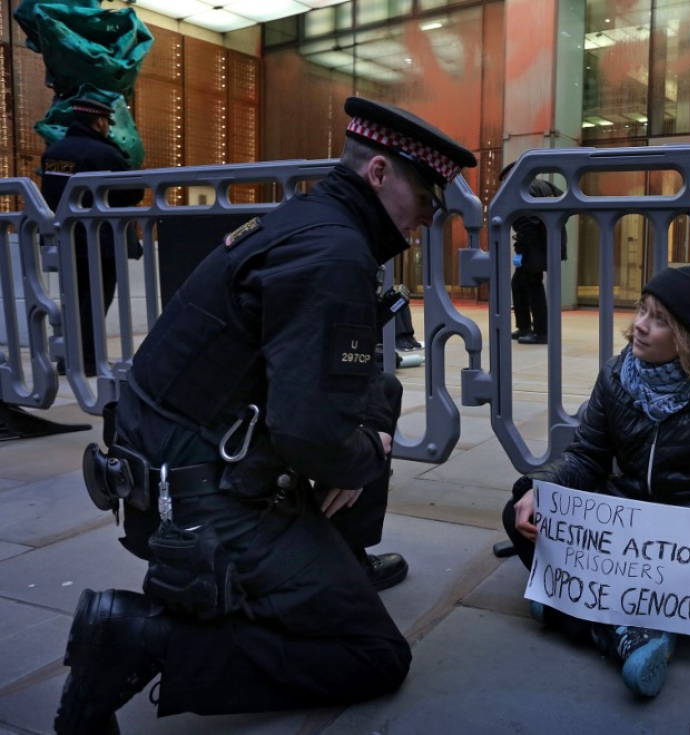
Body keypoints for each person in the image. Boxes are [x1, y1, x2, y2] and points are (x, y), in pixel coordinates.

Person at [55, 97, 475, 732]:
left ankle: (335, 565)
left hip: (168, 465)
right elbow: (309, 434)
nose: (427, 215)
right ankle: (140, 637)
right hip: (199, 502)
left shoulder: (310, 220)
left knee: (377, 393)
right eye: (424, 195)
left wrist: (358, 438)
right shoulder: (334, 254)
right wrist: (367, 455)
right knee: (374, 655)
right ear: (380, 173)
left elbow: (327, 387)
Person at [501, 266, 690, 698]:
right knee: (519, 513)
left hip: (684, 541)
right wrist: (539, 489)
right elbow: (585, 456)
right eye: (642, 310)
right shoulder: (616, 375)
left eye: (659, 319)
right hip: (619, 533)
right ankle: (629, 629)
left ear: (688, 337)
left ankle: (578, 612)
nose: (639, 326)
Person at [39, 97, 144, 377]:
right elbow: (134, 192)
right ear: (99, 122)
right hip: (100, 241)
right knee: (95, 302)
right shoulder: (104, 153)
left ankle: (68, 358)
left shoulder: (55, 151)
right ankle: (88, 361)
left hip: (66, 237)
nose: (108, 128)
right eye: (107, 123)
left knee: (72, 300)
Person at [501, 162, 564, 345]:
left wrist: (520, 248)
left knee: (532, 285)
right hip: (549, 243)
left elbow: (528, 222)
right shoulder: (545, 186)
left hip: (534, 247)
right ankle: (525, 327)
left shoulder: (524, 188)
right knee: (520, 283)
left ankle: (541, 331)